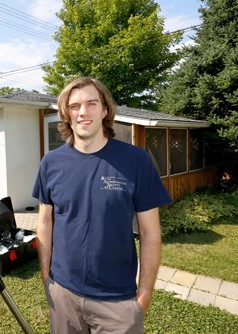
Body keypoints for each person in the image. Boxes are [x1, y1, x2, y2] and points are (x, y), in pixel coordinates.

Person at [32, 77, 172, 333]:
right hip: (63, 295)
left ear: (105, 110)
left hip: (118, 302)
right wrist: (46, 279)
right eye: (74, 106)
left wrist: (144, 295)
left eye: (91, 103)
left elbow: (151, 233)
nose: (83, 112)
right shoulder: (50, 163)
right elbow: (45, 222)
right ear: (66, 113)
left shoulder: (136, 161)